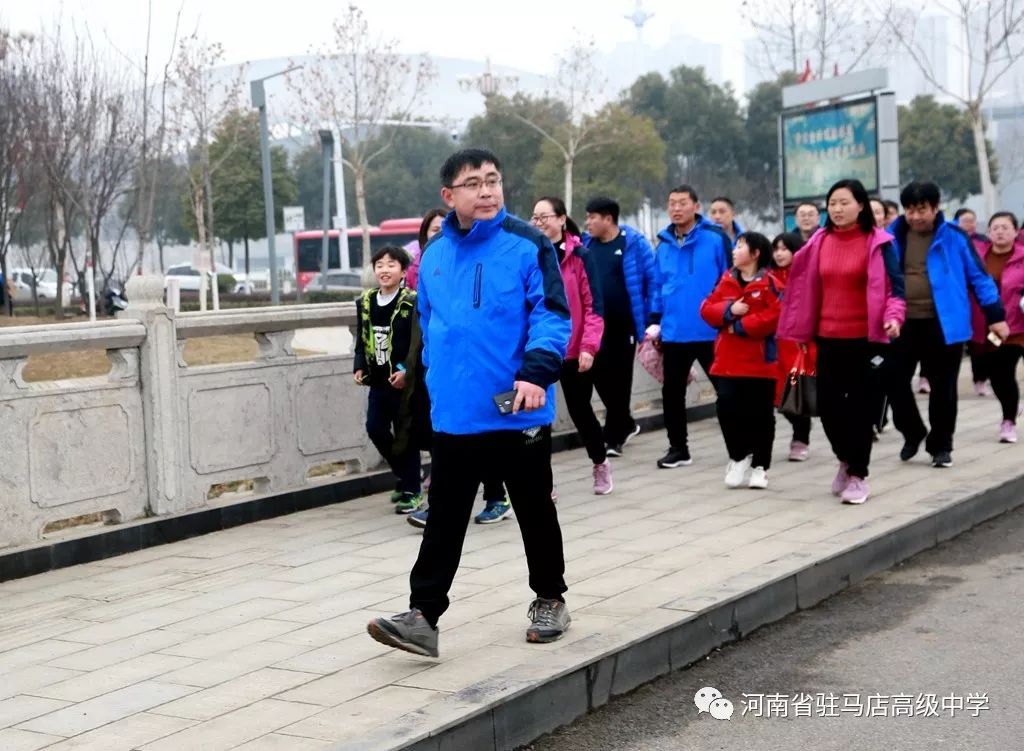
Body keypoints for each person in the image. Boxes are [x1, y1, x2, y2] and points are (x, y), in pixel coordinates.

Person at [367, 148, 572, 658]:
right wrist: (433, 384)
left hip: (516, 406)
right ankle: (423, 617)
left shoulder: (527, 244)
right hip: (456, 414)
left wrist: (536, 374)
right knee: (444, 516)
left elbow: (552, 314)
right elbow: (430, 327)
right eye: (473, 183)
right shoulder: (433, 257)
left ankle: (550, 598)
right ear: (448, 195)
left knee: (534, 509)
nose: (486, 191)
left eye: (493, 180)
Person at [777, 179, 906, 505]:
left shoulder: (880, 243)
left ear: (861, 205)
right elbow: (802, 288)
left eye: (844, 202)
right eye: (832, 203)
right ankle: (845, 459)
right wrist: (801, 332)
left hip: (867, 341)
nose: (836, 209)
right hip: (828, 339)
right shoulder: (819, 242)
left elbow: (896, 290)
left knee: (861, 410)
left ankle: (859, 475)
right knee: (830, 410)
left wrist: (894, 318)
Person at [886, 181, 1007, 469]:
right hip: (901, 323)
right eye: (910, 210)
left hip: (944, 324)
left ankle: (940, 446)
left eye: (922, 210)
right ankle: (913, 431)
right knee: (892, 380)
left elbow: (979, 278)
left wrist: (995, 316)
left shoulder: (954, 236)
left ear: (936, 207)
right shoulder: (890, 236)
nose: (915, 216)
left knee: (943, 388)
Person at [531, 196, 613, 494]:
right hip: (539, 348)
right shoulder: (531, 255)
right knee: (537, 416)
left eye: (544, 217)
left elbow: (593, 306)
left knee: (580, 410)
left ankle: (600, 462)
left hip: (573, 348)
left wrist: (589, 347)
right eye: (535, 218)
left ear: (562, 219)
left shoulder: (580, 255)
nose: (539, 223)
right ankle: (543, 482)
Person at [649, 185, 731, 469]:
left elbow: (730, 279)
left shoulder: (715, 238)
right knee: (672, 394)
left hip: (712, 330)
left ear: (696, 207)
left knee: (727, 392)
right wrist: (654, 323)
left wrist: (728, 317)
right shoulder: (663, 244)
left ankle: (741, 445)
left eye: (682, 203)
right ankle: (678, 448)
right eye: (672, 203)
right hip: (674, 332)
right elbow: (658, 286)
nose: (676, 208)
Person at [700, 232, 782, 489]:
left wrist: (740, 326)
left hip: (760, 363)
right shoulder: (726, 280)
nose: (734, 251)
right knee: (726, 407)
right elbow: (706, 309)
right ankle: (738, 456)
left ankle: (760, 466)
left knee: (761, 415)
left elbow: (775, 316)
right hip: (728, 360)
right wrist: (729, 310)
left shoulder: (771, 284)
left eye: (740, 246)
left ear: (756, 254)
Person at [582, 196, 659, 457]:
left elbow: (652, 281)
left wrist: (652, 319)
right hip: (594, 326)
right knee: (598, 377)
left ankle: (613, 438)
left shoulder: (633, 243)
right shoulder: (586, 245)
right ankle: (624, 423)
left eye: (592, 217)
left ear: (608, 219)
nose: (588, 222)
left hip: (624, 325)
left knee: (620, 380)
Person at [353, 246, 424, 514]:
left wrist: (406, 370)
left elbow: (418, 343)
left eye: (391, 265)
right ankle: (406, 474)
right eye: (380, 265)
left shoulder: (412, 302)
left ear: (403, 272)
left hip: (404, 383)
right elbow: (361, 340)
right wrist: (359, 366)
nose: (385, 270)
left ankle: (412, 491)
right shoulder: (366, 302)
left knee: (406, 435)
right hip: (379, 381)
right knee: (375, 428)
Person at [971, 212, 1024, 443]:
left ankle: (1008, 422)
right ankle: (1011, 406)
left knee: (1005, 369)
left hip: (1017, 327)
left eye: (1005, 227)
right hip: (988, 327)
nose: (1000, 232)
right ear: (989, 232)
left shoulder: (1022, 257)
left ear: (1016, 231)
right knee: (996, 376)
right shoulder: (977, 257)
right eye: (995, 227)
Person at [771, 232, 816, 461]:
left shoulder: (807, 276)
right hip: (773, 346)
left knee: (796, 394)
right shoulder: (768, 277)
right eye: (776, 249)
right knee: (778, 396)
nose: (779, 254)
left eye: (784, 249)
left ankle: (801, 438)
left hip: (798, 346)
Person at [954, 207, 993, 396]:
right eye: (965, 220)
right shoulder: (952, 241)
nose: (969, 224)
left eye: (972, 220)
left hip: (980, 301)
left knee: (985, 342)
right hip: (959, 298)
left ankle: (982, 378)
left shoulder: (985, 242)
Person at [404, 208, 446, 291]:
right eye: (436, 230)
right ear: (425, 233)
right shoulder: (412, 266)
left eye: (445, 230)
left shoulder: (461, 260)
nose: (441, 234)